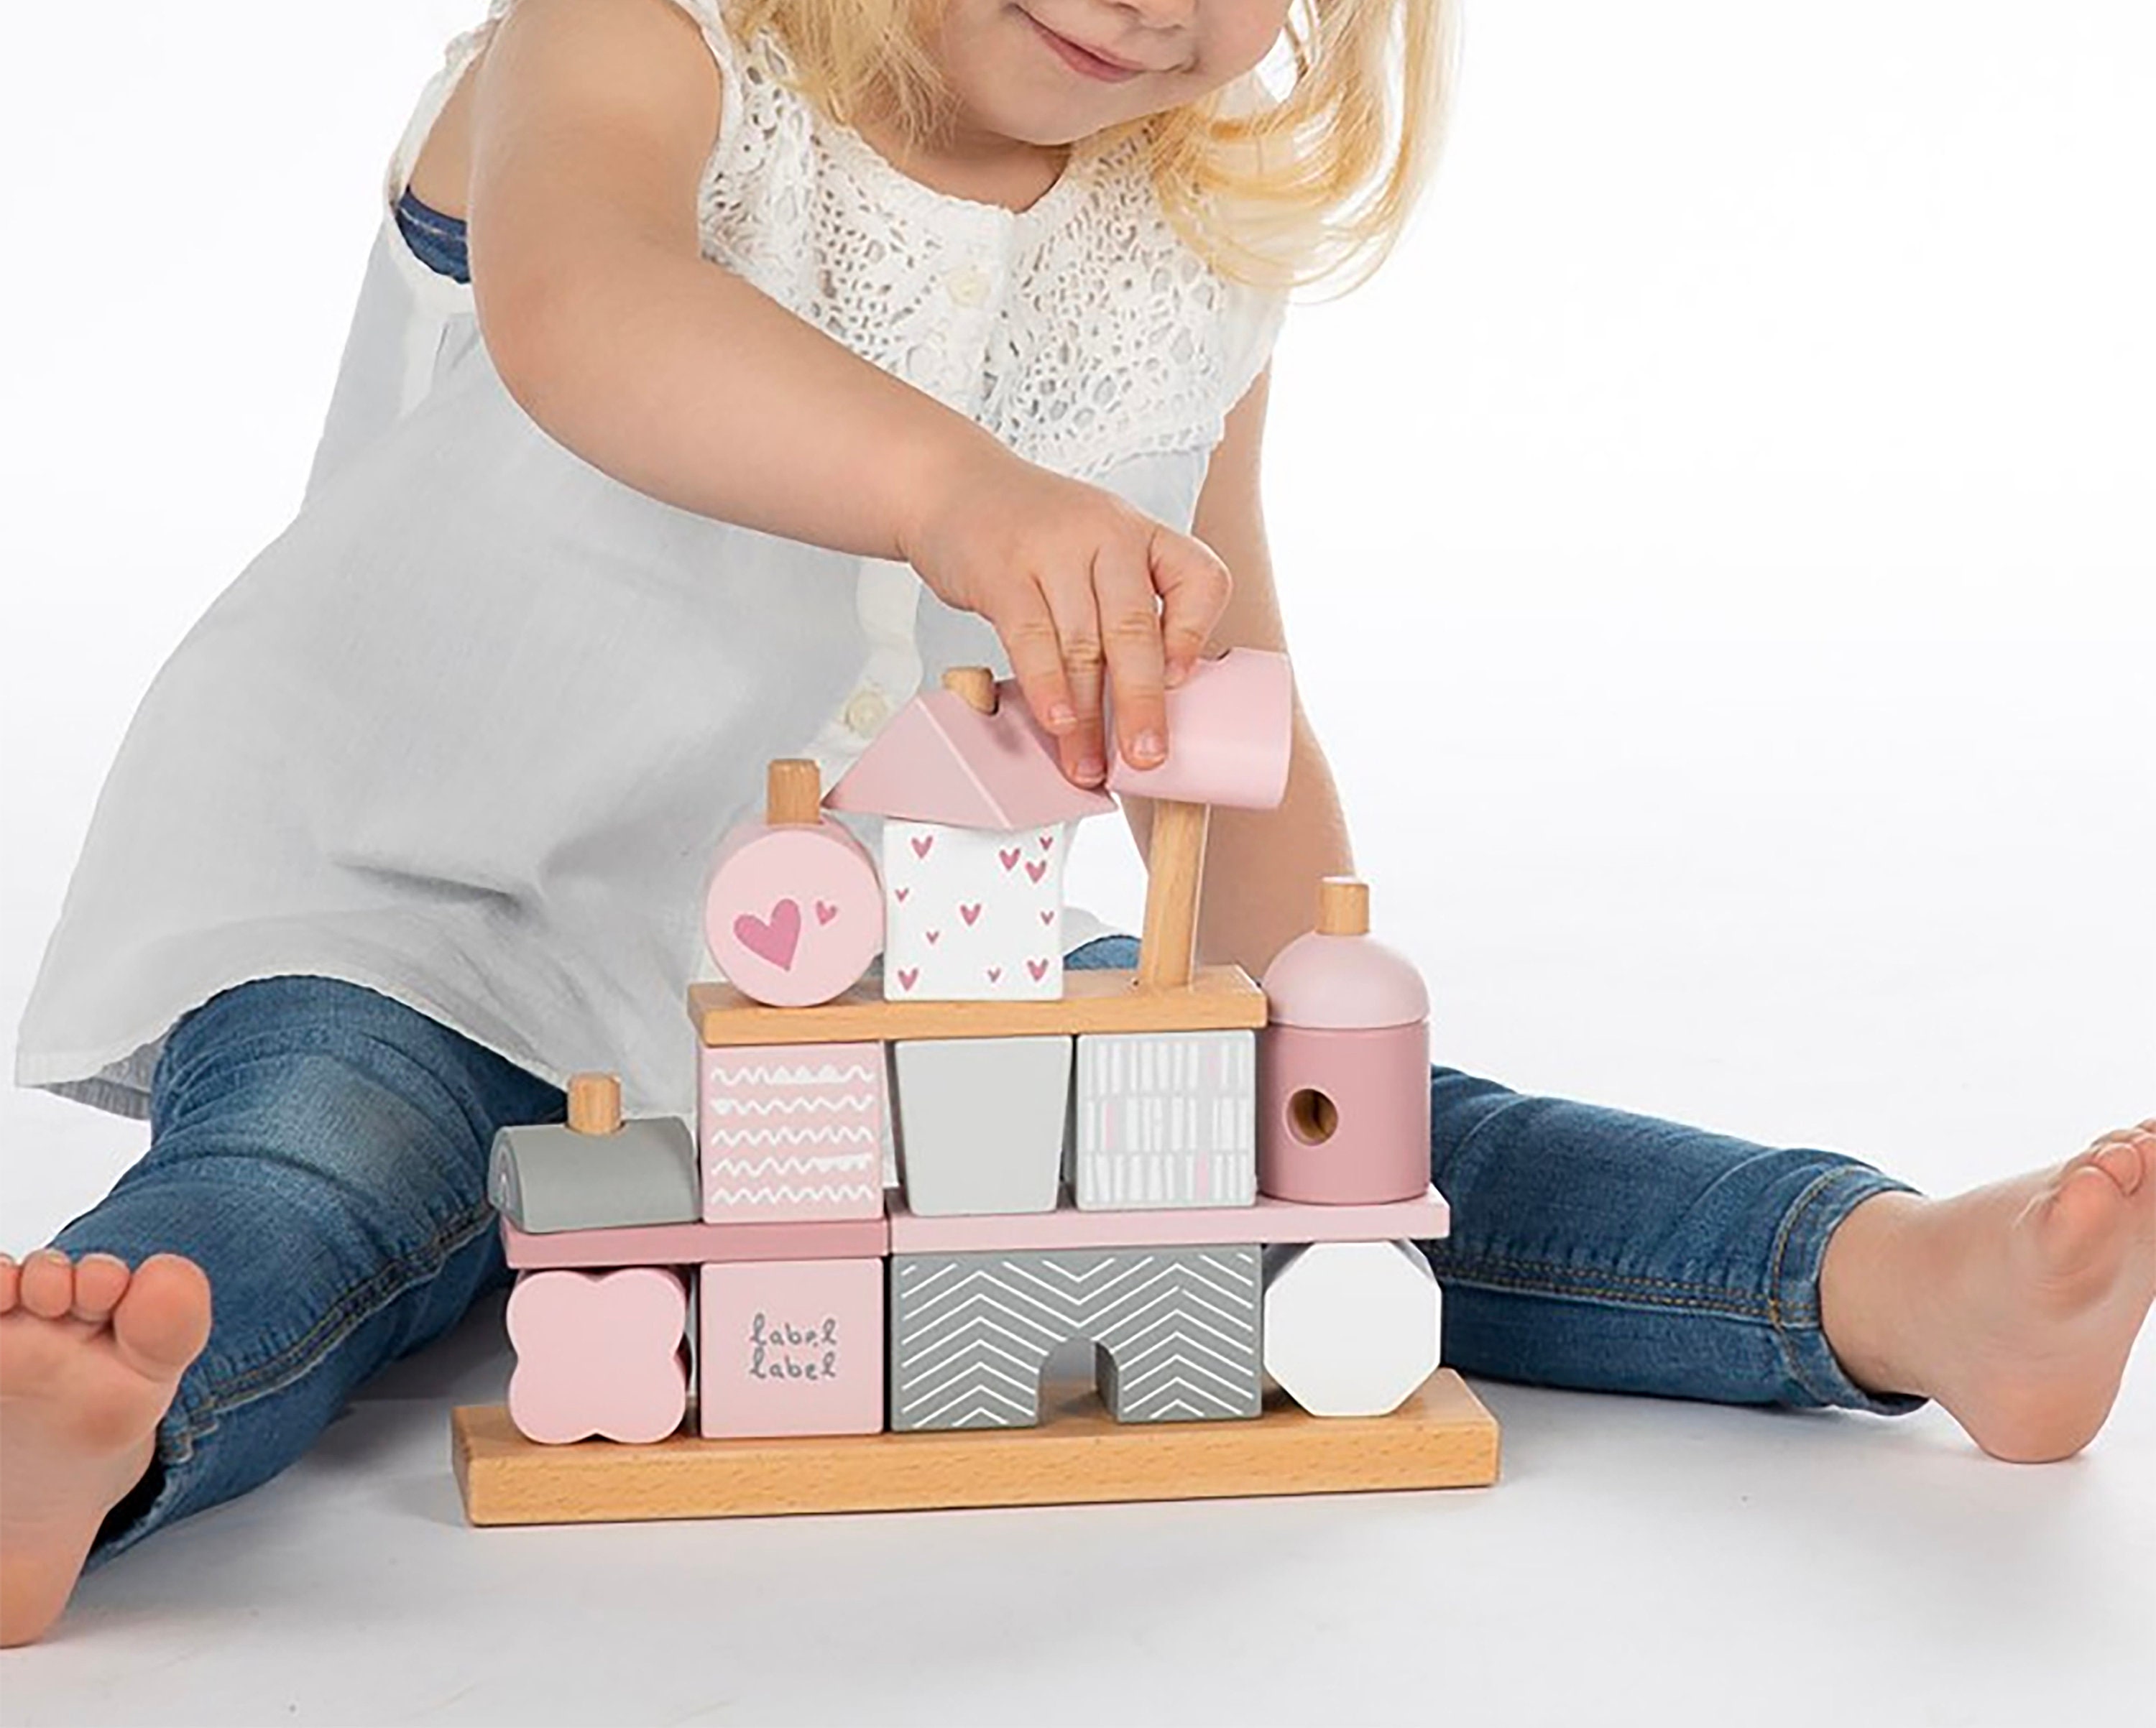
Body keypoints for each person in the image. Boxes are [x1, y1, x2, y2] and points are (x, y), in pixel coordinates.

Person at [3, 0, 2150, 1650]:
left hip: (884, 983)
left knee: (1341, 1145)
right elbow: (592, 315)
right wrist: (963, 490)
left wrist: (1310, 1029)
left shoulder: (1186, 243)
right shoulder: (644, 48)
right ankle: (96, 1443)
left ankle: (1884, 1283)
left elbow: (1227, 668)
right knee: (315, 1167)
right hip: (418, 918)